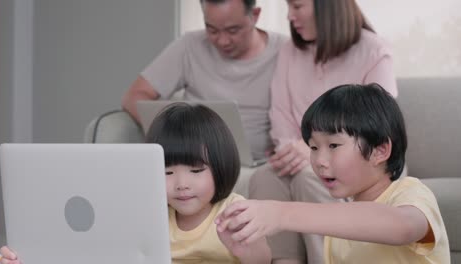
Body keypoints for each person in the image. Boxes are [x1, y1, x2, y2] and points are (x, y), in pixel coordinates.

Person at [0, 103, 272, 264]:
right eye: (167, 172)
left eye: (196, 170)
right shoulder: (147, 212)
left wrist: (247, 245)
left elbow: (261, 260)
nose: (181, 184)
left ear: (221, 165)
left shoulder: (234, 210)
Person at [216, 83, 450, 264]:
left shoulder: (411, 193)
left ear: (380, 151)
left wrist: (281, 213)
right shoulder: (338, 231)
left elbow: (404, 226)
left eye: (334, 146)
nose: (319, 161)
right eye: (314, 147)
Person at [248, 0, 398, 263]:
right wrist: (294, 150)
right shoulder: (290, 51)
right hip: (305, 157)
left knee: (310, 176)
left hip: (361, 162)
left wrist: (312, 152)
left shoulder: (373, 50)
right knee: (266, 176)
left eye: (297, 6)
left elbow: (378, 126)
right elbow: (280, 113)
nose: (290, 16)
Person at [122, 0, 286, 161]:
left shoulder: (286, 50)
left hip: (262, 164)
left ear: (255, 15)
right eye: (212, 30)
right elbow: (134, 96)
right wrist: (174, 131)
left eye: (233, 30)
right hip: (194, 160)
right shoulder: (189, 46)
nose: (222, 41)